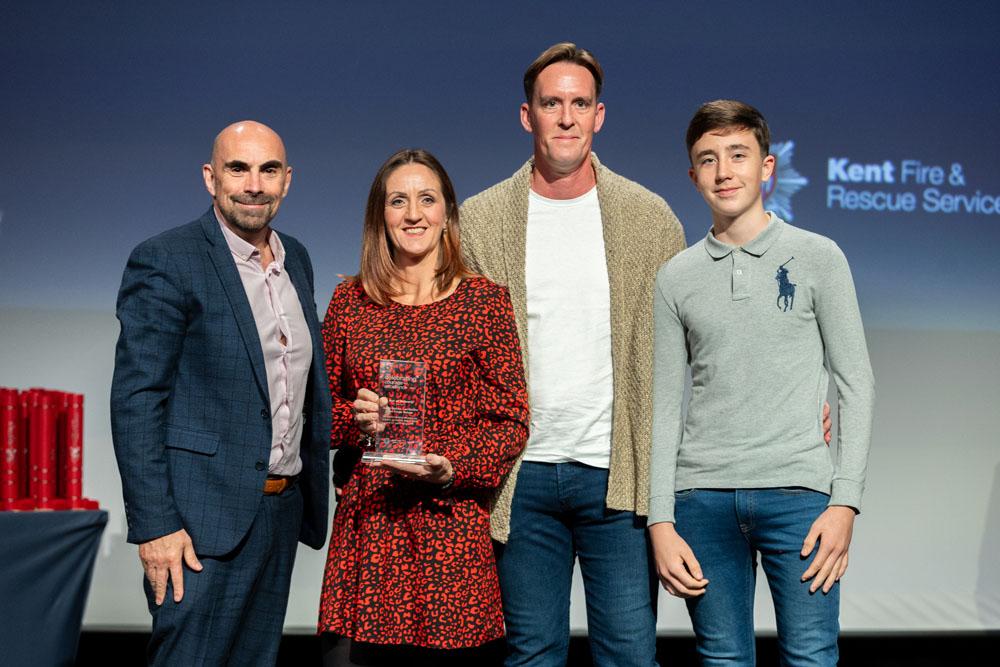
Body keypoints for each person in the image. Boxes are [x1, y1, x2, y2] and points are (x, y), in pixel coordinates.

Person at [460, 43, 686, 666]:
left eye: (579, 103)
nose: (566, 117)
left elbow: (692, 345)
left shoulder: (649, 218)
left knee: (631, 655)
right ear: (526, 115)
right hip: (521, 474)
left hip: (617, 477)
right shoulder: (478, 220)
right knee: (532, 655)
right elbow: (452, 345)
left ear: (600, 115)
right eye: (551, 103)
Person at [648, 100, 875, 666]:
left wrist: (845, 501)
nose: (724, 171)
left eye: (738, 155)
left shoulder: (819, 257)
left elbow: (857, 385)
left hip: (799, 496)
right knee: (723, 658)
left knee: (811, 656)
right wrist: (660, 519)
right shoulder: (677, 276)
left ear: (767, 167)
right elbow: (662, 405)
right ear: (693, 175)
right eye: (708, 159)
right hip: (701, 499)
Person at [110, 120, 331, 666]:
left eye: (268, 170)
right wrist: (156, 524)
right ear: (211, 178)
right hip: (197, 522)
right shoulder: (168, 259)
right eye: (238, 168)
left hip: (279, 512)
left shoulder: (295, 258)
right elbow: (138, 399)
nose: (253, 183)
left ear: (287, 181)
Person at [318, 148, 529, 666]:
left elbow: (512, 419)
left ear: (447, 213)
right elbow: (316, 413)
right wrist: (356, 419)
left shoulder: (483, 302)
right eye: (398, 201)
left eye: (427, 199)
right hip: (370, 527)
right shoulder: (350, 302)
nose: (413, 214)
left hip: (449, 528)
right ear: (380, 216)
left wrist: (452, 466)